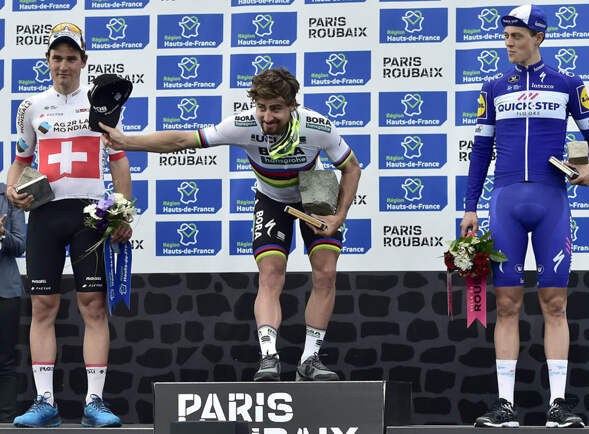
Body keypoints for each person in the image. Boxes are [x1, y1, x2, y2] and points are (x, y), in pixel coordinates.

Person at [100, 67, 361, 381]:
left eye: (276, 108)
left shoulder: (317, 126)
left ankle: (310, 359)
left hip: (315, 186)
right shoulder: (242, 124)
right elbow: (183, 139)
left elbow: (352, 168)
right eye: (262, 107)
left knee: (326, 273)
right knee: (270, 273)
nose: (267, 117)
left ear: (293, 105)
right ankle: (269, 357)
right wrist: (127, 142)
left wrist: (339, 216)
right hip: (272, 195)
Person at [461, 4, 589, 428]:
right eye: (506, 37)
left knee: (554, 302)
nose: (509, 44)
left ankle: (558, 405)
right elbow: (480, 152)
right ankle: (505, 405)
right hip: (504, 202)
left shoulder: (567, 84)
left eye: (517, 37)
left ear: (538, 38)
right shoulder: (492, 87)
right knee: (505, 303)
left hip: (551, 202)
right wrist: (470, 206)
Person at [7, 23, 133, 428]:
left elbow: (118, 161)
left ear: (83, 62)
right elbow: (22, 161)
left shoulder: (100, 105)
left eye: (71, 57)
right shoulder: (31, 107)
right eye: (57, 57)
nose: (64, 65)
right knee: (43, 306)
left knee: (92, 306)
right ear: (47, 61)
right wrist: (11, 191)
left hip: (90, 215)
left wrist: (123, 214)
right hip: (45, 214)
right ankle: (45, 402)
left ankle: (95, 402)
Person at [0, 180, 26, 422]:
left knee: (5, 359)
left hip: (4, 291)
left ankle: (5, 419)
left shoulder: (9, 196)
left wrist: (2, 234)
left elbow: (20, 245)